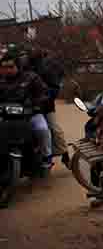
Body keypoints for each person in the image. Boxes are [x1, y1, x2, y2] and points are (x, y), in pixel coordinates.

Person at [0, 47, 53, 177]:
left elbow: (44, 93)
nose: (7, 70)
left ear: (18, 65)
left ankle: (46, 158)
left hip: (30, 114)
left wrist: (36, 105)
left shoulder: (31, 77)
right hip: (4, 116)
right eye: (4, 67)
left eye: (10, 66)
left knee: (42, 129)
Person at [28, 48, 69, 166]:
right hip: (29, 106)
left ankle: (64, 152)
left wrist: (45, 98)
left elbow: (54, 88)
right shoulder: (25, 70)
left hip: (46, 106)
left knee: (53, 127)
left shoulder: (47, 70)